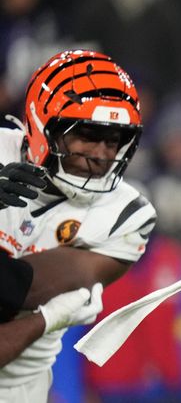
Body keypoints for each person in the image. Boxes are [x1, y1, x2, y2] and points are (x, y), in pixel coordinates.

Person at [0, 50, 156, 402]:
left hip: (18, 390)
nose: (101, 154)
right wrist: (42, 320)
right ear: (44, 126)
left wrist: (42, 320)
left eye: (113, 140)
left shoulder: (127, 215)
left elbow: (12, 290)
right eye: (87, 135)